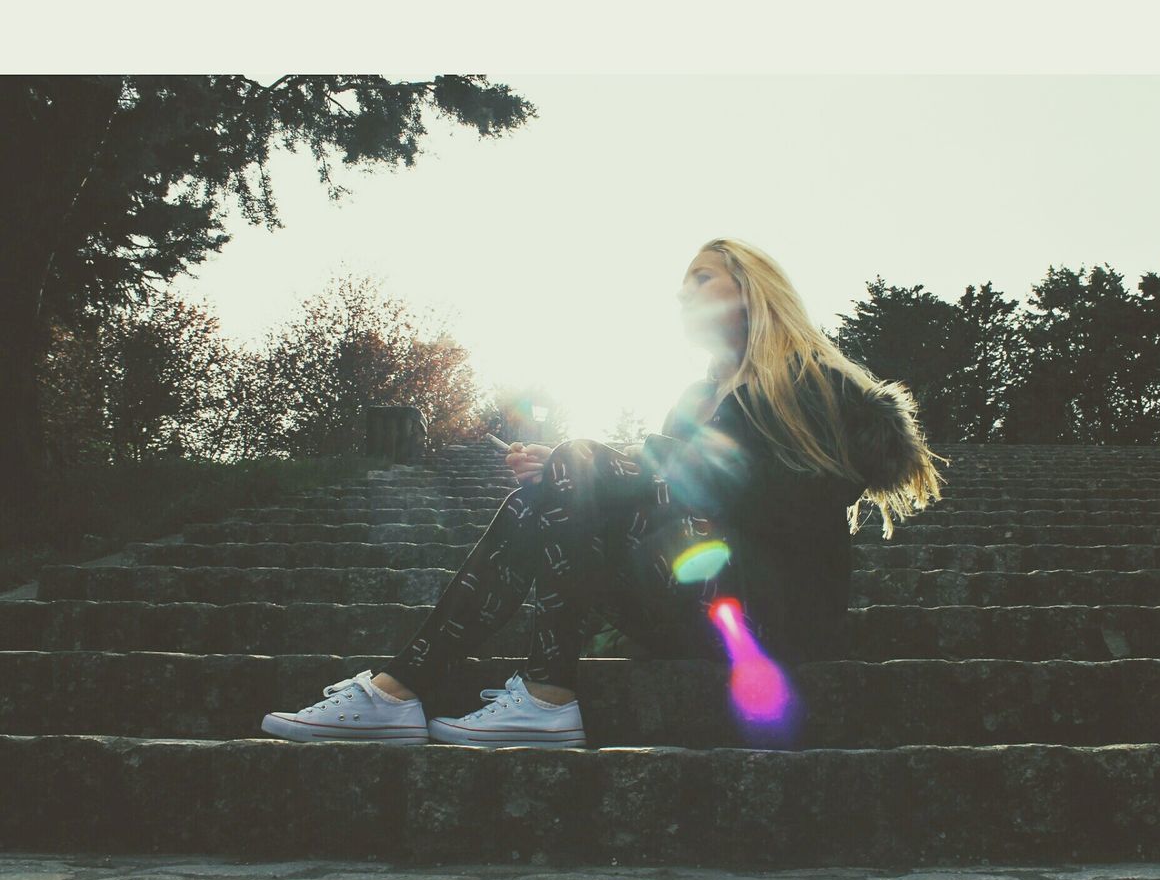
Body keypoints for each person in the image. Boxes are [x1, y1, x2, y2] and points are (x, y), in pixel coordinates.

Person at [261, 237, 945, 747]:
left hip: (770, 615)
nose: (684, 294)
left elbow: (797, 509)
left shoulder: (809, 382)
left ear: (750, 290)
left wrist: (622, 465)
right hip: (679, 598)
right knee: (553, 487)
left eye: (701, 278)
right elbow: (658, 485)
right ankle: (421, 690)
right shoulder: (695, 399)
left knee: (582, 460)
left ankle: (480, 691)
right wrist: (568, 473)